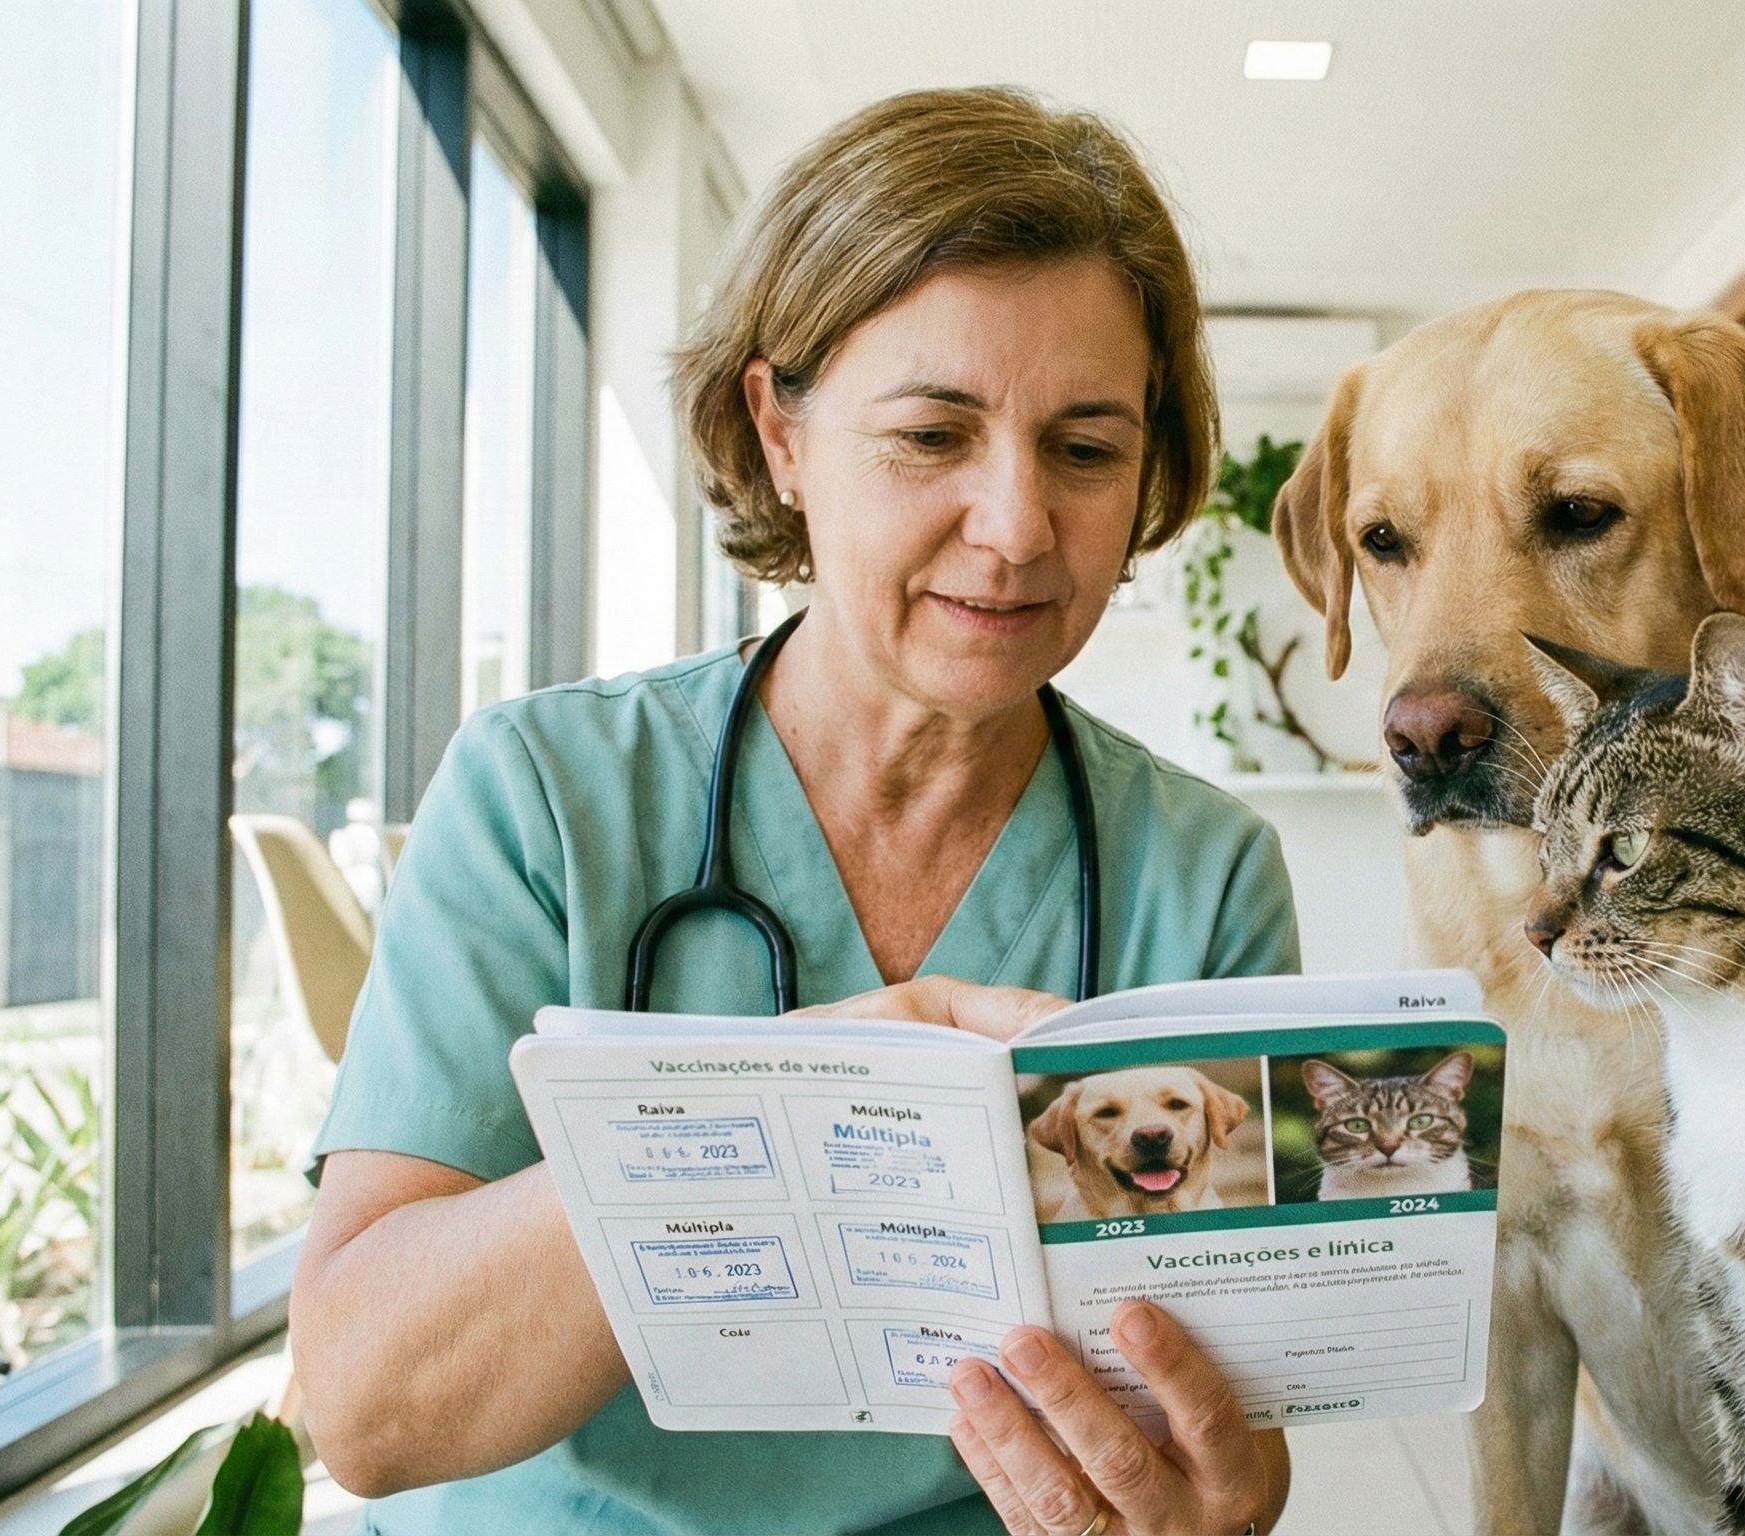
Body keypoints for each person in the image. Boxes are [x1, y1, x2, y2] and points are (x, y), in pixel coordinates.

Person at [290, 86, 1301, 1536]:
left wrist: (1206, 1503)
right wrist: (777, 1112)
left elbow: (1238, 1451)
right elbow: (368, 1408)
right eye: (931, 434)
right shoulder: (545, 797)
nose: (1018, 527)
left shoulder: (1200, 877)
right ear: (779, 433)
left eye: (1085, 450)